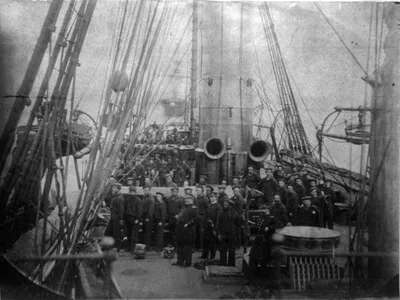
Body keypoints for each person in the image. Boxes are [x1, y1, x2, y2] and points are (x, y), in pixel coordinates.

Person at [249, 207, 283, 280]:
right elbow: (258, 227)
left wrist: (269, 228)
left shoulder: (271, 218)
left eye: (264, 209)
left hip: (265, 243)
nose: (263, 210)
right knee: (253, 258)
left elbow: (280, 225)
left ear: (268, 210)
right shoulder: (261, 217)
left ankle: (262, 278)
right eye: (262, 209)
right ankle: (252, 278)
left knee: (263, 261)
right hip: (258, 241)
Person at [173, 196, 199, 268]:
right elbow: (181, 215)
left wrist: (188, 224)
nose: (186, 201)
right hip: (180, 227)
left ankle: (187, 263)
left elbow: (196, 218)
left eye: (188, 200)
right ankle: (180, 261)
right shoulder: (184, 207)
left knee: (187, 247)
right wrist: (177, 217)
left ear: (192, 201)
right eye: (186, 199)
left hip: (188, 229)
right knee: (179, 245)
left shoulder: (194, 208)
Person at [218, 199, 242, 267]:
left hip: (232, 235)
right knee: (222, 250)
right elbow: (219, 224)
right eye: (224, 205)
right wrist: (219, 233)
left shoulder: (235, 214)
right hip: (223, 234)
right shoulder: (222, 213)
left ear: (230, 206)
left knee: (231, 251)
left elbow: (238, 224)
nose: (224, 206)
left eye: (226, 205)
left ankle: (231, 265)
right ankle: (223, 264)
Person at [200, 192, 221, 260]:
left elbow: (218, 218)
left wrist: (215, 228)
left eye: (212, 197)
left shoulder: (218, 206)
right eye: (210, 197)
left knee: (212, 242)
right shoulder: (208, 205)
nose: (211, 198)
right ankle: (204, 255)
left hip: (213, 227)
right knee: (205, 241)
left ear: (216, 197)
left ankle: (212, 256)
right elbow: (205, 216)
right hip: (207, 226)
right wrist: (203, 226)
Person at [105, 183, 125, 252]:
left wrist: (120, 219)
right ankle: (108, 247)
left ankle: (118, 248)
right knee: (108, 232)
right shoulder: (115, 196)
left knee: (117, 233)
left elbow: (121, 210)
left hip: (116, 218)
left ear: (118, 188)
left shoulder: (119, 198)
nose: (112, 189)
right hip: (113, 217)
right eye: (112, 187)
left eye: (114, 188)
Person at [124, 186, 142, 253]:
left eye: (133, 192)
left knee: (134, 235)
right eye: (130, 192)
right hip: (128, 218)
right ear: (129, 192)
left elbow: (139, 211)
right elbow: (125, 209)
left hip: (134, 218)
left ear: (135, 192)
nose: (131, 193)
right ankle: (129, 247)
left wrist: (137, 219)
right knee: (128, 234)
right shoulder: (127, 199)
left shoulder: (138, 200)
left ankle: (133, 248)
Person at [194, 186, 208, 251]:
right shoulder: (196, 198)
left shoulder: (205, 198)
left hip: (202, 217)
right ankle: (197, 246)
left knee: (201, 232)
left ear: (202, 191)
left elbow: (207, 208)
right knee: (196, 232)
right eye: (196, 190)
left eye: (198, 190)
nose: (197, 191)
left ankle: (202, 247)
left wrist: (206, 218)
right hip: (197, 216)